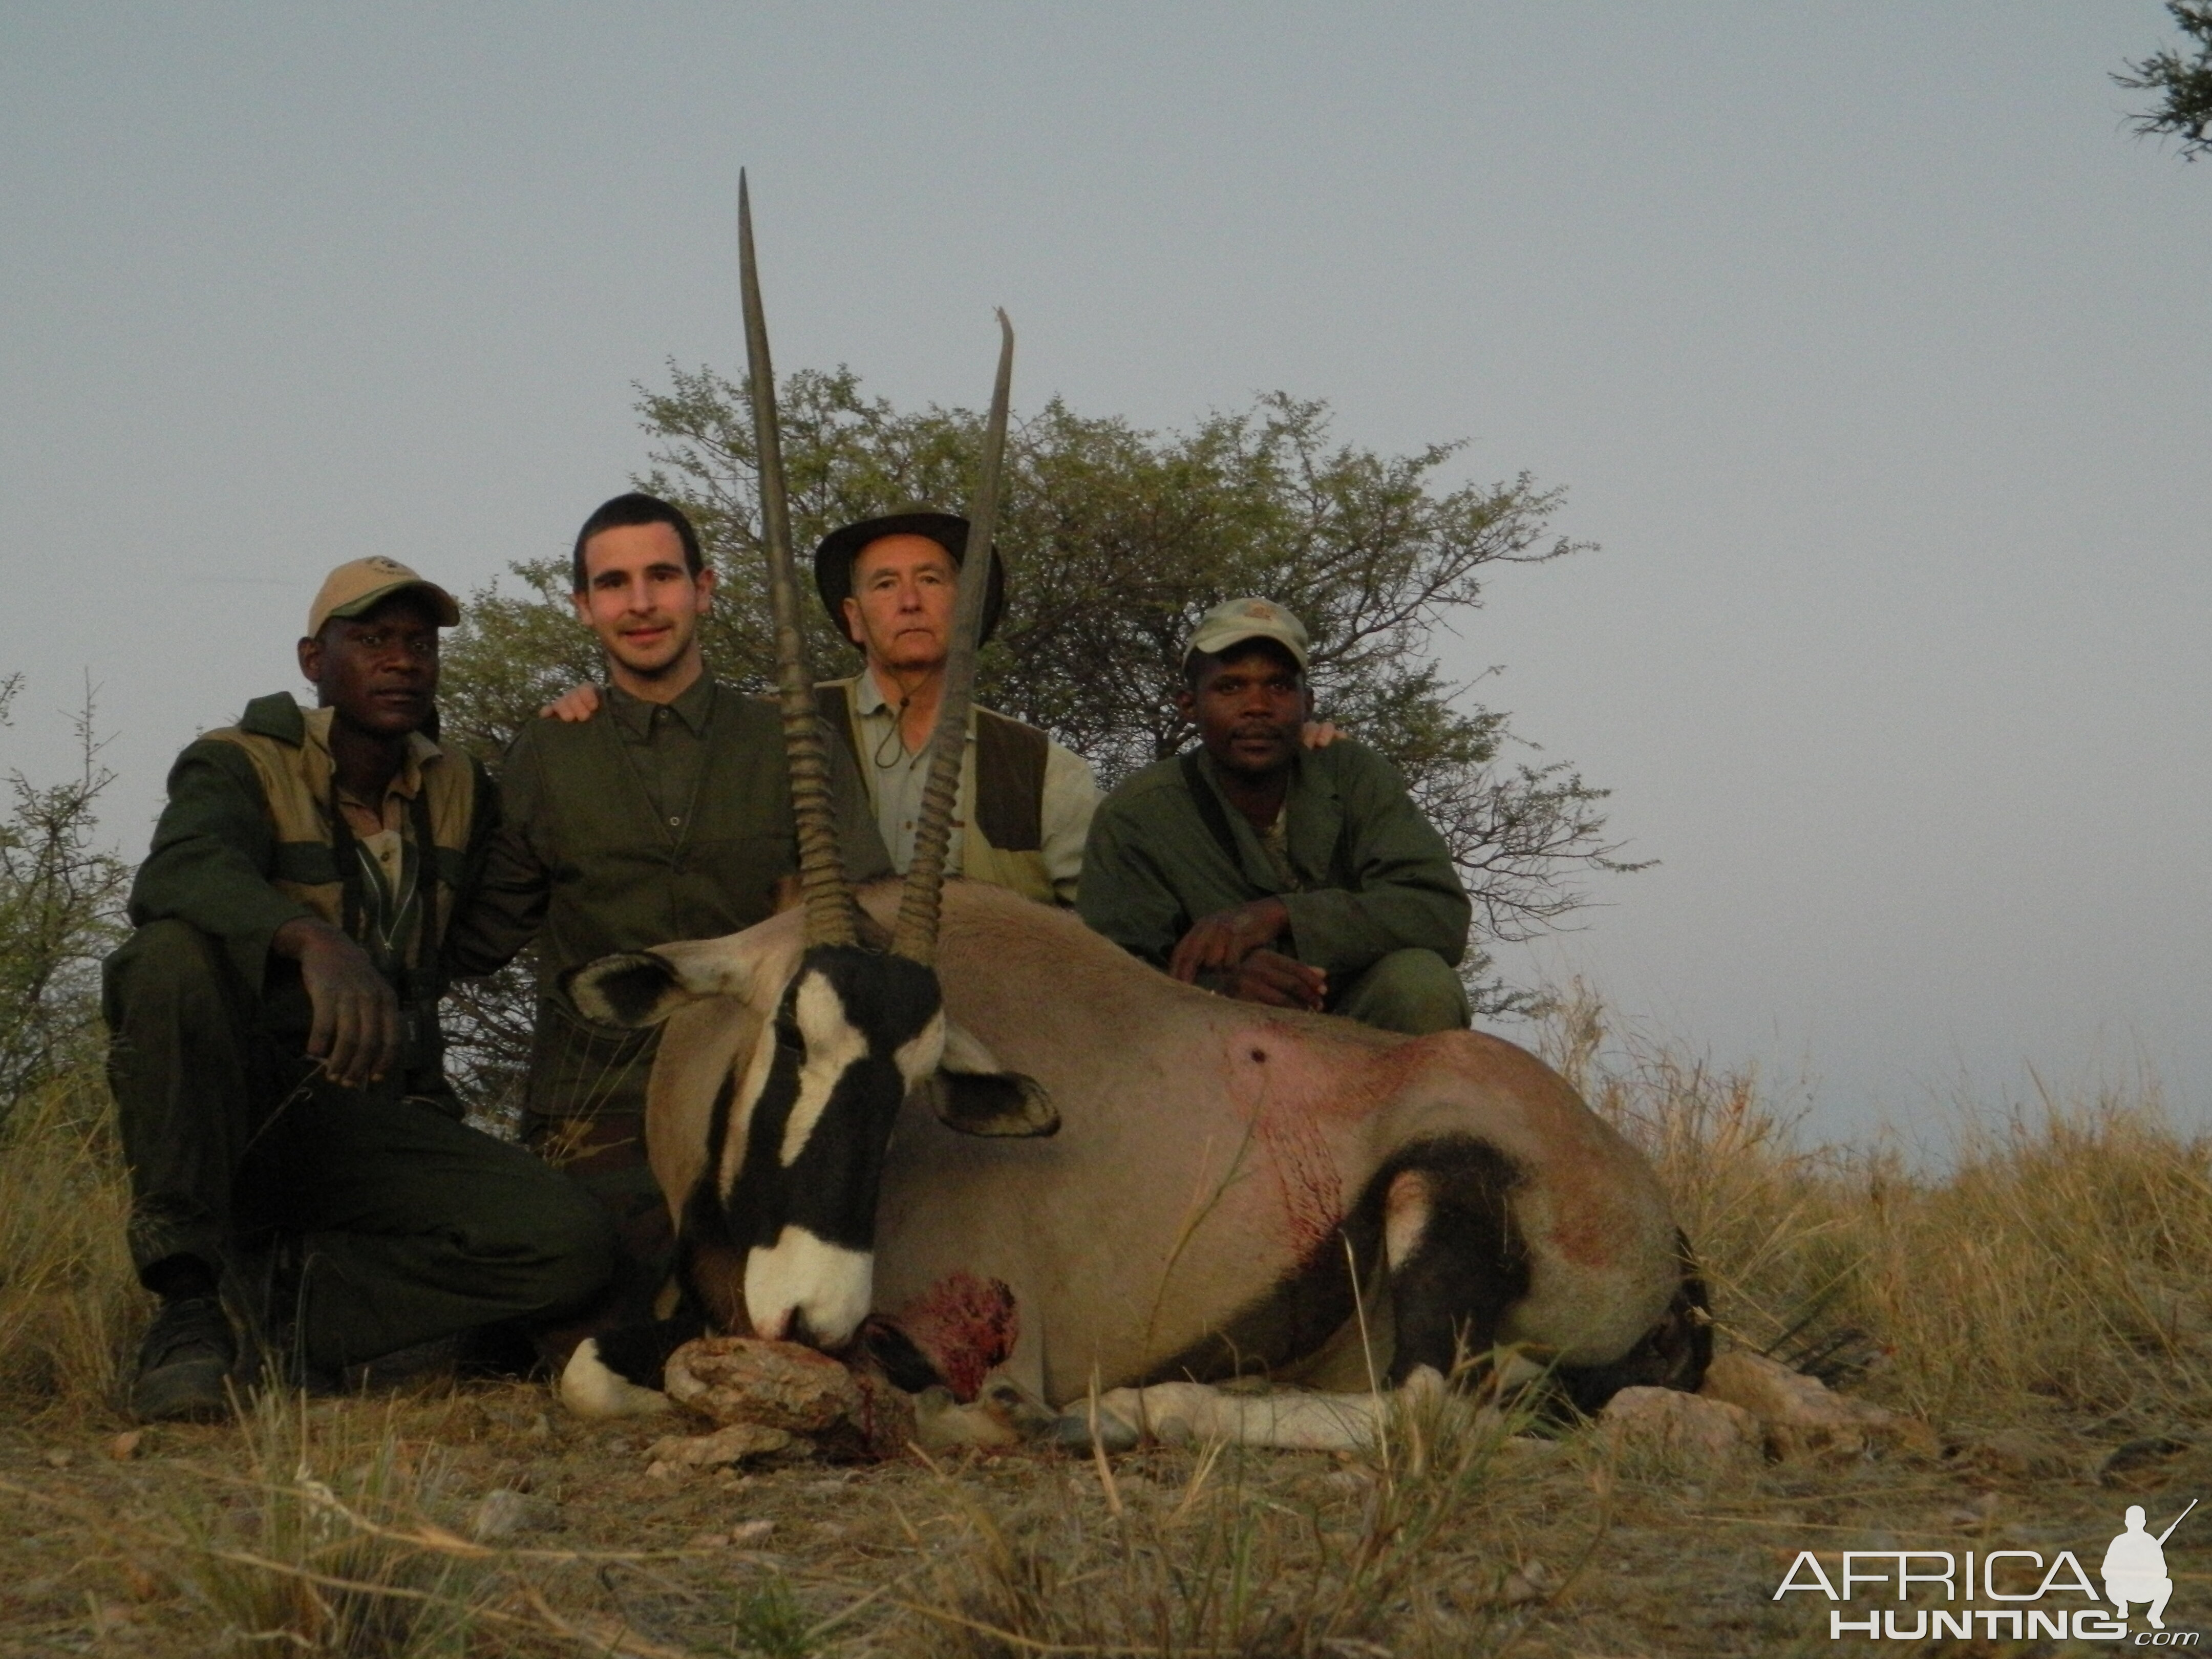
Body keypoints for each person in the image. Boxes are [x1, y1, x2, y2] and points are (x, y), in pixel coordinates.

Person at [105, 558, 616, 1422]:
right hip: (239, 1110)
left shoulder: (457, 786)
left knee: (569, 1247)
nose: (402, 661)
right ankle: (186, 1303)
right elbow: (179, 872)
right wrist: (316, 942)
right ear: (315, 661)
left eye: (419, 644)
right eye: (372, 640)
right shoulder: (238, 763)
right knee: (167, 957)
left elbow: (500, 913)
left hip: (377, 1119)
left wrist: (567, 739)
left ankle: (287, 1314)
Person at [451, 493, 891, 1323]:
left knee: (780, 1304)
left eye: (661, 576)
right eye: (613, 584)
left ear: (705, 589)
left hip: (751, 1092)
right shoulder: (548, 750)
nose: (641, 603)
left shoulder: (790, 743)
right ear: (584, 608)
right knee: (595, 1303)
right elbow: (478, 936)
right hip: (596, 1104)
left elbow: (863, 921)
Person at [1077, 597, 1473, 1035]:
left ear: (1308, 703)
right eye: (1230, 687)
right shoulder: (1138, 813)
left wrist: (1280, 914)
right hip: (1209, 1045)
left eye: (1279, 687)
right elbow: (1111, 981)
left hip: (1355, 1028)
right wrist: (1217, 986)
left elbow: (1440, 915)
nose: (1257, 706)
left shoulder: (1354, 773)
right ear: (1189, 705)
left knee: (1421, 983)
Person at [810, 509, 1097, 904]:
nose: (910, 602)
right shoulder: (788, 727)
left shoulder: (1044, 768)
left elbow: (1097, 927)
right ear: (854, 618)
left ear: (965, 609)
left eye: (930, 580)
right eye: (885, 585)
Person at [2102, 1505, 2176, 1630]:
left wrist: (2147, 1573)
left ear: (2144, 1523)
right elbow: (2106, 1571)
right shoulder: (2119, 1541)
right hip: (2124, 1591)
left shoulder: (2151, 1542)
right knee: (2110, 1583)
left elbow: (2163, 1572)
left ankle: (2154, 1616)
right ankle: (2122, 1606)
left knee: (2167, 1584)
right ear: (2127, 1523)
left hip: (2147, 1590)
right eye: (2133, 1521)